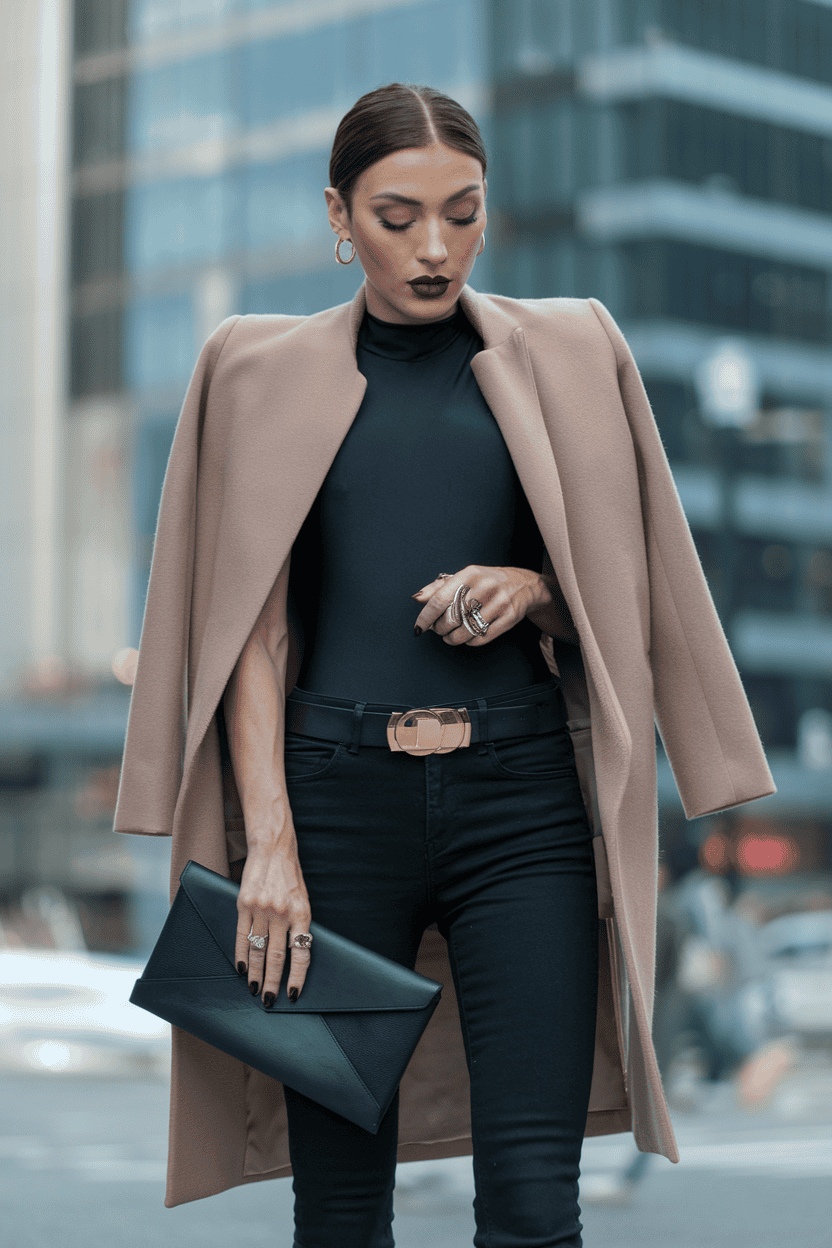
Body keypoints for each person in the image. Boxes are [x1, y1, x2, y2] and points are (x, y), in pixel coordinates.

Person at [112, 81, 777, 1243]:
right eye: (397, 215)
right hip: (327, 810)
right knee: (340, 1210)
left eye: (463, 213)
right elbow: (250, 633)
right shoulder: (251, 369)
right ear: (337, 214)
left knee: (532, 1201)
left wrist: (533, 590)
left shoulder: (574, 350)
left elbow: (632, 586)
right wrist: (269, 844)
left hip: (522, 806)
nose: (435, 247)